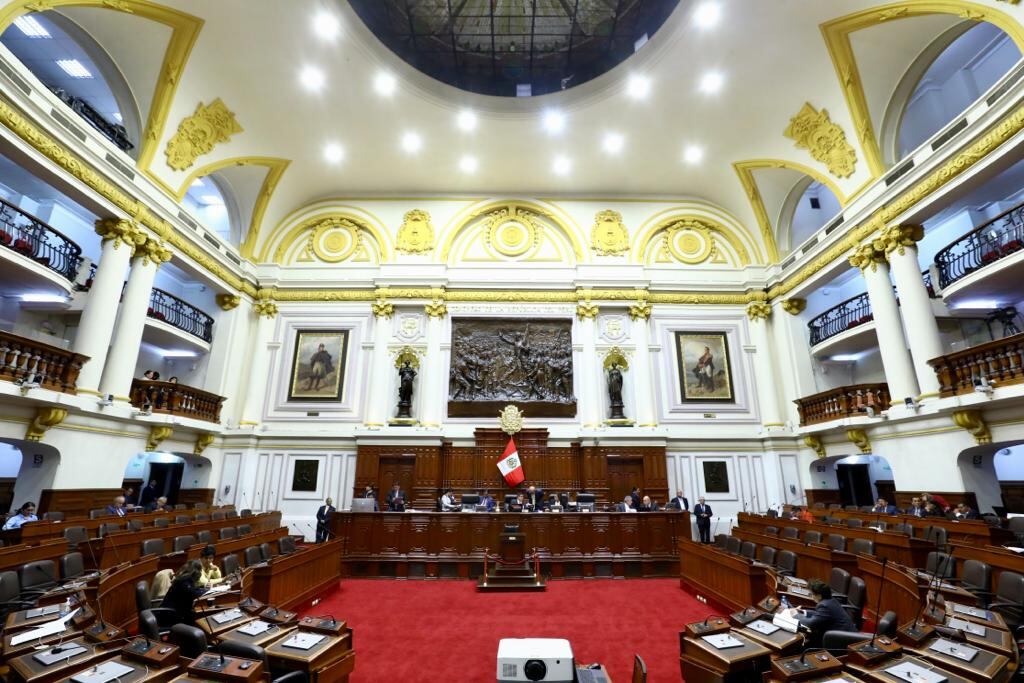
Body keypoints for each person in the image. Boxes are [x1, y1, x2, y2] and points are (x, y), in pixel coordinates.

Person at [792, 579, 857, 647]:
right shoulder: (831, 600)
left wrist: (796, 615)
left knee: (807, 641)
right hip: (847, 636)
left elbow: (810, 624)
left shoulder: (824, 605)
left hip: (842, 642)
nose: (811, 597)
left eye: (812, 594)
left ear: (819, 596)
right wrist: (803, 612)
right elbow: (820, 615)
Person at [160, 560, 205, 626]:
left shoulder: (183, 578)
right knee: (197, 617)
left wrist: (202, 589)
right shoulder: (185, 580)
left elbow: (192, 590)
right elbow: (193, 593)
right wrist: (206, 590)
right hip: (171, 615)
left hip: (174, 611)